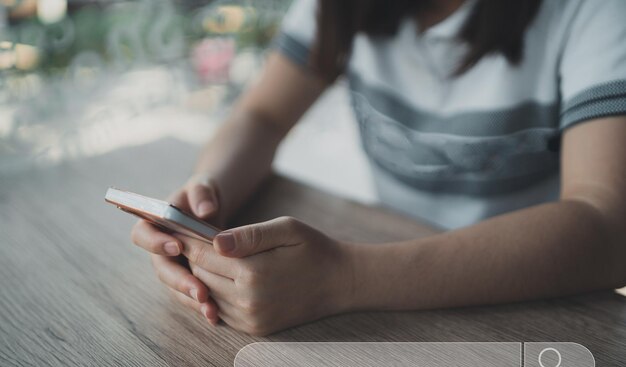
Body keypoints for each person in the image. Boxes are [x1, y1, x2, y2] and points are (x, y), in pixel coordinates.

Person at [131, 0, 626, 336]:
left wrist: (342, 279)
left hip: (535, 310)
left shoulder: (597, 13)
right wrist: (206, 195)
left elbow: (607, 226)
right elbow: (263, 116)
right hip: (388, 290)